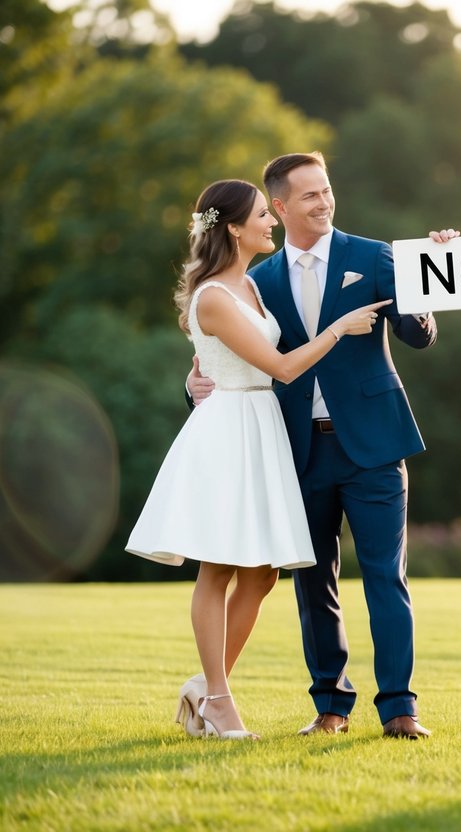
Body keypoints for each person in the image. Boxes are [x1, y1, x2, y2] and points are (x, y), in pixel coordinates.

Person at [188, 154, 451, 739]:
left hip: (376, 445)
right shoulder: (258, 281)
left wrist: (425, 276)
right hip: (297, 450)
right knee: (313, 586)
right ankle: (331, 706)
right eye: (309, 196)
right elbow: (223, 353)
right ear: (279, 208)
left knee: (387, 577)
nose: (324, 202)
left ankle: (399, 709)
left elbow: (418, 335)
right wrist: (194, 381)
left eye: (327, 190)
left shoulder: (375, 255)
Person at [127, 178, 390, 740]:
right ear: (233, 228)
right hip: (230, 432)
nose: (271, 222)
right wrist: (339, 328)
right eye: (260, 217)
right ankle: (219, 700)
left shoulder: (248, 284)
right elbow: (283, 368)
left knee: (263, 574)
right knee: (218, 567)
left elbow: (224, 360)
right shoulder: (216, 297)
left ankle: (204, 684)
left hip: (260, 428)